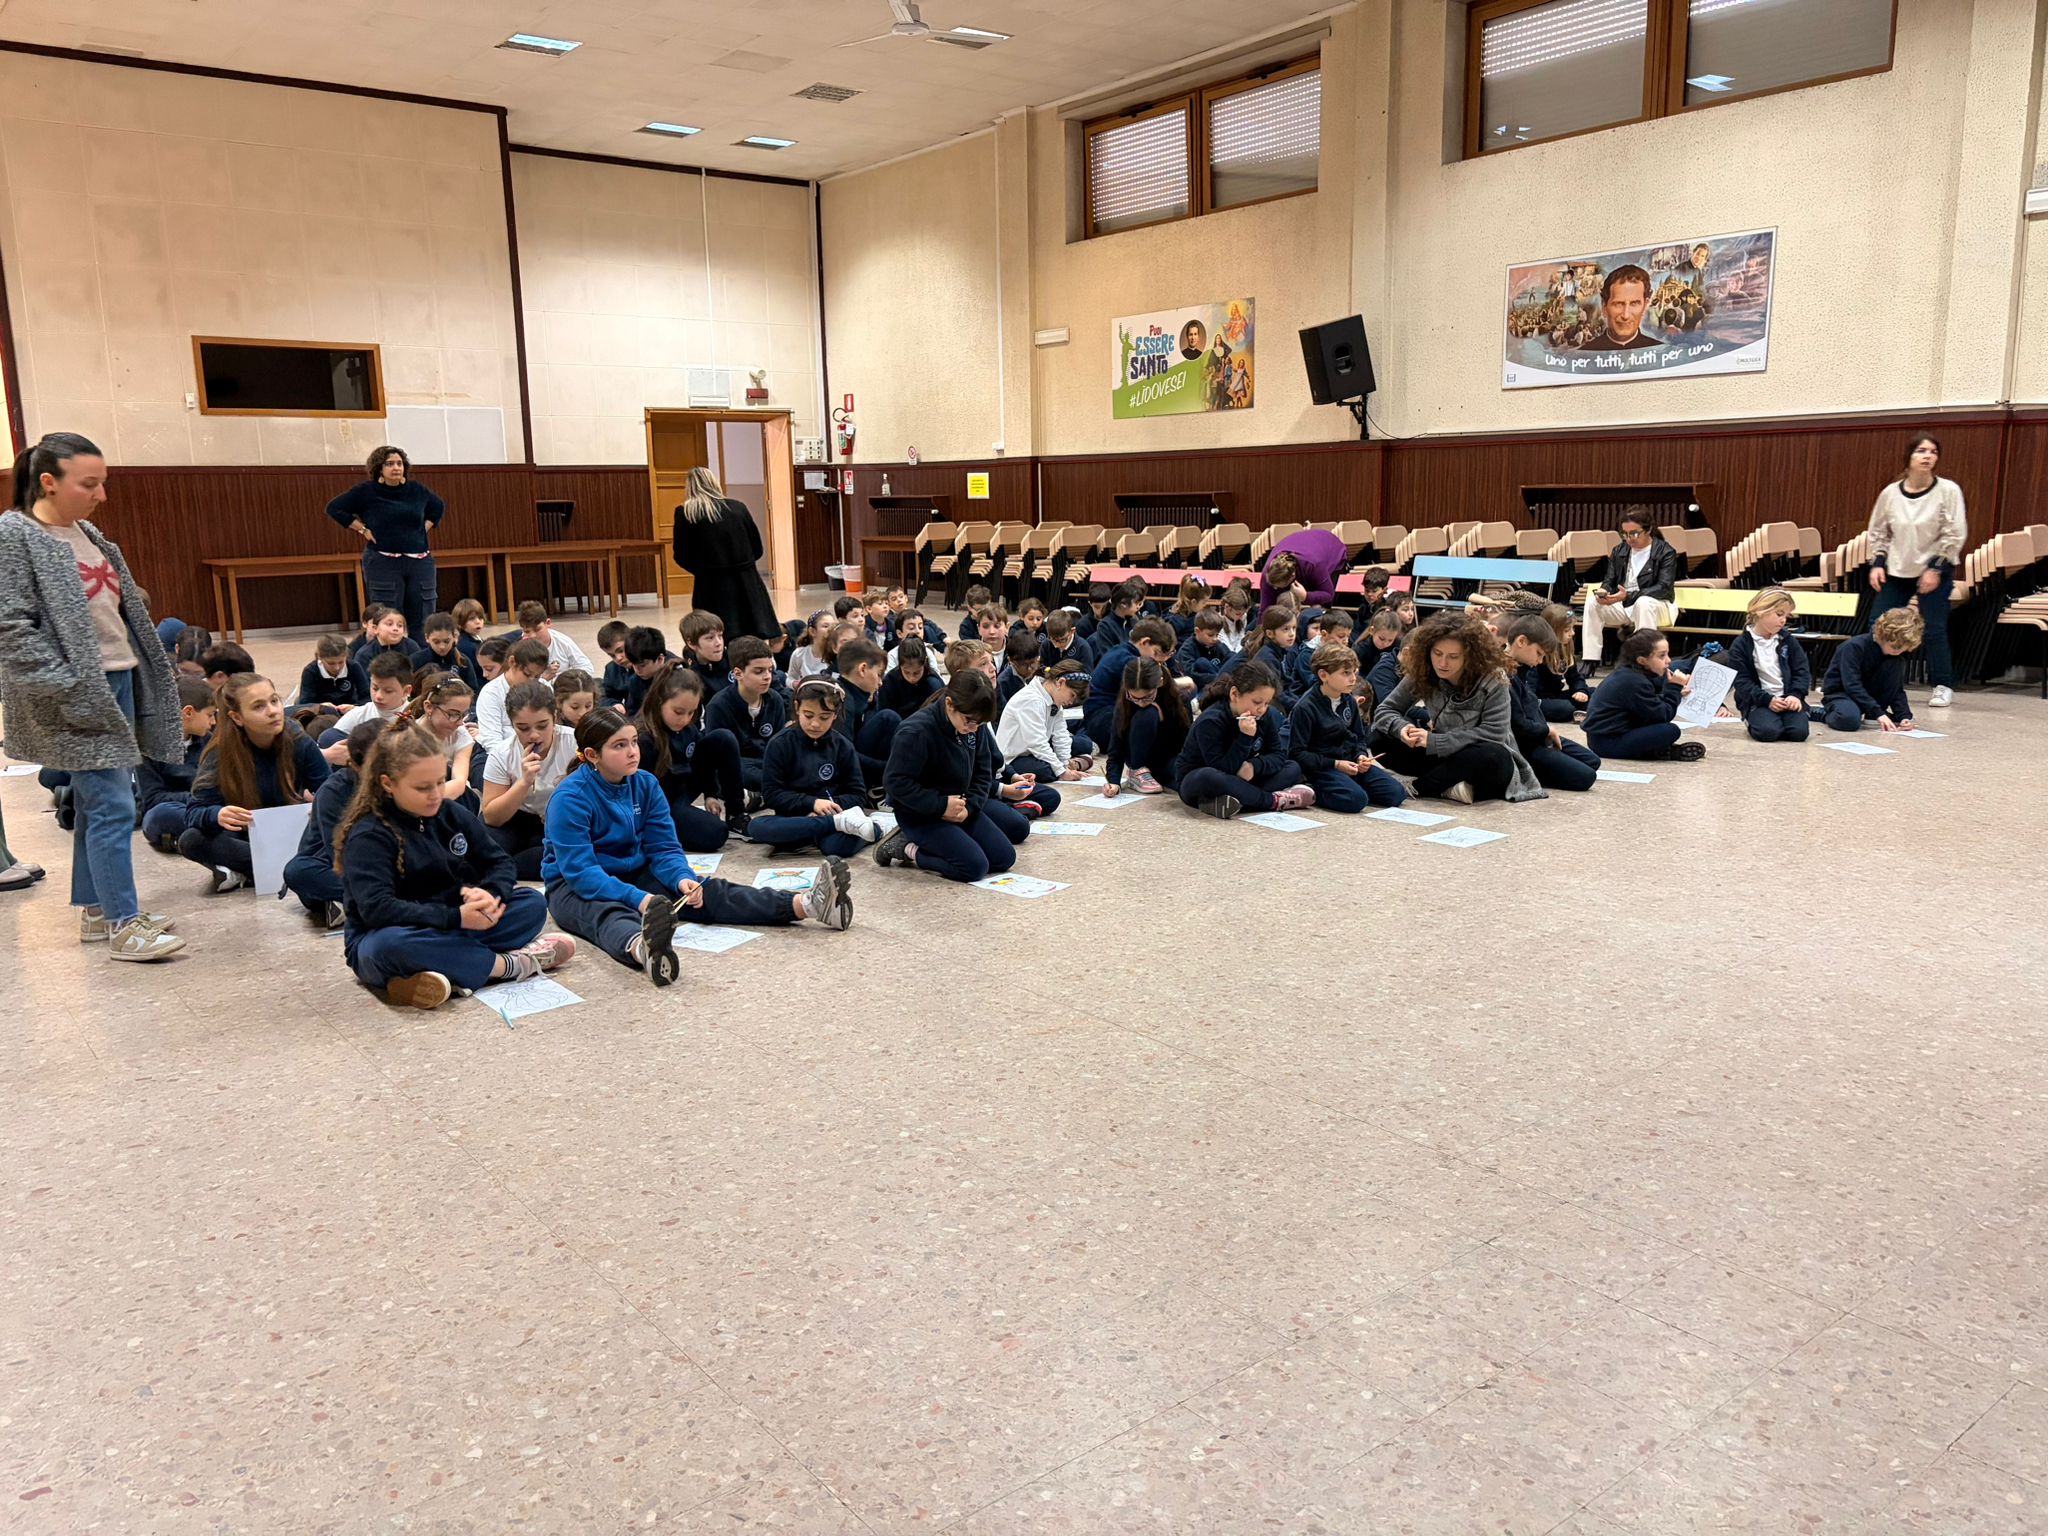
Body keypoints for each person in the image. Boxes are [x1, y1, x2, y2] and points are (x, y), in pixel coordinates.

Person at [0, 433, 187, 959]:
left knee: (94, 801)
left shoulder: (87, 531)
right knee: (113, 804)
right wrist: (67, 687)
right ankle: (125, 925)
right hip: (77, 691)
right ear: (48, 482)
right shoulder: (15, 535)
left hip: (119, 678)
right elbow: (10, 628)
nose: (101, 495)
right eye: (88, 484)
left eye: (102, 483)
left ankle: (98, 909)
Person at [543, 708, 851, 988]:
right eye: (619, 745)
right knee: (608, 914)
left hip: (635, 870)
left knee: (707, 892)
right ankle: (645, 949)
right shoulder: (570, 797)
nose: (633, 751)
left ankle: (809, 905)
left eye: (634, 741)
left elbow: (664, 846)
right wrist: (638, 899)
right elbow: (582, 873)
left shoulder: (645, 783)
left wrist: (681, 877)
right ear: (592, 755)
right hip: (573, 886)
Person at [336, 724, 574, 1010]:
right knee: (391, 946)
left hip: (453, 923)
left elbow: (499, 862)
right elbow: (378, 910)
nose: (435, 794)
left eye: (440, 782)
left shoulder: (450, 812)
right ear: (388, 784)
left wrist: (490, 895)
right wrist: (456, 918)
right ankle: (508, 965)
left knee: (531, 903)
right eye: (422, 788)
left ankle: (439, 970)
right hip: (391, 934)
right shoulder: (369, 835)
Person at [1371, 611, 1546, 803]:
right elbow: (1385, 710)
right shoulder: (1424, 669)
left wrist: (1436, 741)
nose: (1442, 663)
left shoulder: (1493, 678)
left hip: (1477, 754)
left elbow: (1494, 733)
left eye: (1453, 656)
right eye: (1437, 653)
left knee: (1494, 756)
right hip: (1442, 753)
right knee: (1379, 737)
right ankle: (1449, 785)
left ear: (1470, 656)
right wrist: (1402, 728)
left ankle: (1421, 787)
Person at [177, 672, 330, 890]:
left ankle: (253, 872)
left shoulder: (297, 740)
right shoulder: (221, 752)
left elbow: (331, 790)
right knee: (191, 839)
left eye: (274, 700)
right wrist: (217, 814)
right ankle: (285, 870)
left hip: (295, 833)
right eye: (259, 707)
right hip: (247, 839)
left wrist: (321, 806)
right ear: (237, 717)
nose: (273, 711)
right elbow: (194, 812)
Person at [872, 672, 1013, 882]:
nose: (973, 729)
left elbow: (983, 771)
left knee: (1004, 857)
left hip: (960, 806)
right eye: (969, 721)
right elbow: (895, 782)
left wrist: (970, 807)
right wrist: (940, 805)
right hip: (920, 813)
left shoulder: (974, 723)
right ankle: (906, 848)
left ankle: (945, 838)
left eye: (979, 724)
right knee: (974, 867)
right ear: (949, 704)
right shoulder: (915, 731)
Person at [1866, 433, 1965, 708]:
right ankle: (1869, 677)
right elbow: (1878, 531)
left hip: (1934, 570)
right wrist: (1878, 563)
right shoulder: (1890, 493)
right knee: (1877, 624)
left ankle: (1942, 684)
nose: (1927, 456)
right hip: (1897, 569)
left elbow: (1954, 533)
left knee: (1933, 628)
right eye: (1921, 451)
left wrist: (1935, 568)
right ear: (1909, 456)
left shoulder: (1948, 491)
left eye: (1933, 452)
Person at [752, 679, 886, 855]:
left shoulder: (843, 746)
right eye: (808, 715)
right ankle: (837, 825)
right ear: (797, 708)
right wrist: (812, 803)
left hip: (834, 814)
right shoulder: (779, 744)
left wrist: (829, 807)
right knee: (757, 827)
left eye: (824, 717)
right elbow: (772, 794)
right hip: (795, 820)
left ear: (835, 714)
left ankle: (877, 827)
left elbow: (857, 795)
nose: (815, 724)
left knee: (836, 847)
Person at [326, 446, 446, 640]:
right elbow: (334, 508)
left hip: (419, 562)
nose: (396, 468)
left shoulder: (416, 490)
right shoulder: (366, 491)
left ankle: (421, 656)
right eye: (389, 464)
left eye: (399, 463)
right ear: (379, 469)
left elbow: (438, 507)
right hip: (383, 562)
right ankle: (390, 657)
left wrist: (424, 528)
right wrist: (362, 529)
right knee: (388, 618)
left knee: (423, 618)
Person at [1174, 661, 1315, 820]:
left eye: (1267, 703)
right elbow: (1222, 768)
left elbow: (1278, 754)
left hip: (1242, 778)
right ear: (1234, 694)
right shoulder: (1211, 721)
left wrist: (1254, 766)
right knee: (1209, 776)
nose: (1262, 709)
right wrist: (1245, 737)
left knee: (1292, 767)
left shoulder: (1264, 715)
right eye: (1257, 702)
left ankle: (1231, 802)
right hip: (1202, 782)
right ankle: (1273, 800)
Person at [285, 720, 382, 929]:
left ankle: (349, 903)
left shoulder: (408, 780)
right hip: (340, 865)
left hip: (389, 865)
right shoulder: (333, 791)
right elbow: (339, 853)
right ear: (355, 764)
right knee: (298, 871)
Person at [1288, 644, 1408, 812]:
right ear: (1323, 675)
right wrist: (1336, 764)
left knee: (1396, 793)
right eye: (1346, 673)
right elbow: (1297, 753)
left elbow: (1359, 737)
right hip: (1323, 767)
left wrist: (1361, 756)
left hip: (1350, 763)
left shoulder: (1349, 701)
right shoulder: (1305, 707)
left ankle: (1350, 786)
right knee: (1356, 801)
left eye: (1354, 672)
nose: (1353, 678)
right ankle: (1312, 789)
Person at [479, 680, 580, 878]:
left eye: (542, 726)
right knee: (484, 847)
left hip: (563, 817)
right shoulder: (502, 753)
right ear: (512, 724)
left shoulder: (575, 743)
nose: (534, 735)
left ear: (555, 718)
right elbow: (492, 816)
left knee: (571, 850)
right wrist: (524, 781)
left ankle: (515, 864)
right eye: (523, 728)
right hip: (519, 817)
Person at [669, 465, 778, 641]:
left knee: (716, 635)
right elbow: (757, 547)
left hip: (710, 585)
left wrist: (702, 571)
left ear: (690, 487)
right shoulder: (738, 508)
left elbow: (681, 555)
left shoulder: (686, 513)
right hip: (747, 581)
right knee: (751, 634)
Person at [1501, 616, 1602, 792]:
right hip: (1525, 744)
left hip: (1538, 734)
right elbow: (1517, 725)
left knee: (1592, 761)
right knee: (1586, 777)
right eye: (1539, 653)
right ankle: (1527, 771)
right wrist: (1546, 730)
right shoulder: (1505, 676)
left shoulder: (1524, 667)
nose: (1540, 661)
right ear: (1521, 641)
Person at [1583, 629, 1708, 762]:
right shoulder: (1634, 681)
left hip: (1603, 738)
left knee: (1658, 729)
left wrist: (1677, 693)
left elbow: (1646, 705)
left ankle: (1658, 751)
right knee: (1670, 730)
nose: (1668, 660)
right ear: (1642, 660)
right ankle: (1659, 752)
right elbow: (1663, 715)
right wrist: (1674, 687)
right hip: (1608, 743)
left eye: (1667, 654)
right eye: (1662, 656)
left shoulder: (1630, 674)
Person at [1581, 508, 1681, 668]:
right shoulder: (1619, 551)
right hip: (1626, 604)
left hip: (1659, 606)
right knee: (1593, 603)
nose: (1628, 539)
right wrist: (1605, 592)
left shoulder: (1665, 552)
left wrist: (1628, 596)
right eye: (1624, 534)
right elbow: (1609, 580)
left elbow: (1663, 588)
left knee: (1643, 602)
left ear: (1648, 530)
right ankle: (1590, 660)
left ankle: (1645, 660)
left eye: (1634, 534)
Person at [1722, 589, 1813, 743]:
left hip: (1787, 698)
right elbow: (1742, 681)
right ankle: (1752, 718)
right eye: (1779, 614)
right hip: (1759, 701)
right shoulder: (1741, 644)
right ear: (1760, 611)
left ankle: (1801, 714)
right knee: (1768, 732)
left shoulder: (1788, 640)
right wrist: (1767, 700)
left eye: (1786, 616)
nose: (1783, 620)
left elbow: (1802, 671)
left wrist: (1795, 695)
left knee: (1798, 733)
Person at [139, 677, 218, 851]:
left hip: (210, 807)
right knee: (158, 815)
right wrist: (198, 799)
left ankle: (200, 839)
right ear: (188, 713)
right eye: (210, 715)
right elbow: (152, 799)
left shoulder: (209, 741)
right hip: (182, 808)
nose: (213, 722)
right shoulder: (149, 748)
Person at [703, 636, 789, 794]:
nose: (767, 677)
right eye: (759, 671)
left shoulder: (775, 700)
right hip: (737, 765)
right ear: (738, 674)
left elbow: (778, 746)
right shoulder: (718, 706)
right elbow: (716, 757)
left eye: (770, 670)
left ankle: (765, 793)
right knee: (737, 771)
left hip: (766, 762)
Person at [1821, 608, 1922, 733]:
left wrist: (1904, 716)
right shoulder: (1854, 647)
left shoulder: (1897, 658)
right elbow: (1851, 685)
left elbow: (1896, 689)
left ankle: (1871, 713)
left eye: (1902, 648)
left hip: (1873, 698)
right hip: (1842, 695)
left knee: (1894, 719)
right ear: (1882, 636)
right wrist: (1877, 712)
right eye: (1894, 646)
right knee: (1849, 720)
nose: (1897, 651)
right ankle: (1822, 713)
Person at [997, 659, 1090, 785]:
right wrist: (1061, 772)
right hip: (1013, 757)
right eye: (1072, 695)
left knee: (1085, 744)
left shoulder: (1055, 699)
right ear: (1060, 683)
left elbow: (1061, 734)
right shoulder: (1031, 700)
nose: (1071, 702)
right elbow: (1037, 743)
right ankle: (1078, 762)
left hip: (1032, 752)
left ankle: (1073, 763)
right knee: (1045, 771)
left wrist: (1065, 764)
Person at [474, 637, 550, 748]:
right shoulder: (490, 693)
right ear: (512, 662)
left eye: (537, 677)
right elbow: (492, 741)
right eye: (527, 674)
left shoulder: (544, 687)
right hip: (503, 753)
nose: (532, 681)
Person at [1259, 528, 1348, 609]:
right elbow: (1265, 608)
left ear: (1292, 576)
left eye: (1278, 586)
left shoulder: (1313, 564)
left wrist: (1306, 597)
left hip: (1330, 547)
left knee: (1320, 606)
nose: (1274, 588)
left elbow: (1328, 594)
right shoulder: (1268, 572)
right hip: (1304, 545)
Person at [1579, 264, 1661, 351]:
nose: (1625, 316)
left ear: (1644, 306)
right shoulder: (1585, 354)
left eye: (1634, 304)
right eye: (1618, 304)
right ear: (1604, 307)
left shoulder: (1660, 351)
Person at [1534, 602, 1592, 721]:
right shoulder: (1537, 652)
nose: (1572, 633)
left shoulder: (1564, 649)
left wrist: (1580, 691)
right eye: (1567, 630)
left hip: (1556, 696)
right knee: (1565, 709)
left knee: (1594, 692)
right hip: (1540, 699)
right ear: (1552, 631)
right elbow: (1529, 689)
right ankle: (1580, 711)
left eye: (1572, 628)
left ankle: (1580, 711)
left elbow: (1575, 677)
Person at [515, 600, 593, 677]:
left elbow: (586, 666)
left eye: (537, 629)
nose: (533, 636)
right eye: (527, 631)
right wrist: (543, 678)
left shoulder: (563, 642)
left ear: (548, 623)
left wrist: (570, 679)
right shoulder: (520, 649)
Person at [297, 633, 370, 709]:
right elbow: (305, 703)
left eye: (341, 662)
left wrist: (354, 707)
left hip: (350, 710)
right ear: (320, 658)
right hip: (321, 713)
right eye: (331, 663)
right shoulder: (310, 671)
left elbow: (367, 697)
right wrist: (320, 706)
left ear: (346, 656)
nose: (337, 668)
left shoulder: (354, 667)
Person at [419, 612, 481, 692]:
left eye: (446, 641)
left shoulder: (463, 661)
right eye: (436, 642)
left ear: (454, 637)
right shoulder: (417, 660)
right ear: (427, 638)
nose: (442, 647)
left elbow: (473, 691)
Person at [1174, 607, 1233, 688]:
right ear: (1197, 631)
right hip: (1198, 687)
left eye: (1217, 634)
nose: (1215, 638)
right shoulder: (1187, 650)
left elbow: (1230, 658)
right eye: (1210, 635)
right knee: (1201, 663)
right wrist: (1218, 678)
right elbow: (1191, 674)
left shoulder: (1217, 645)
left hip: (1219, 684)